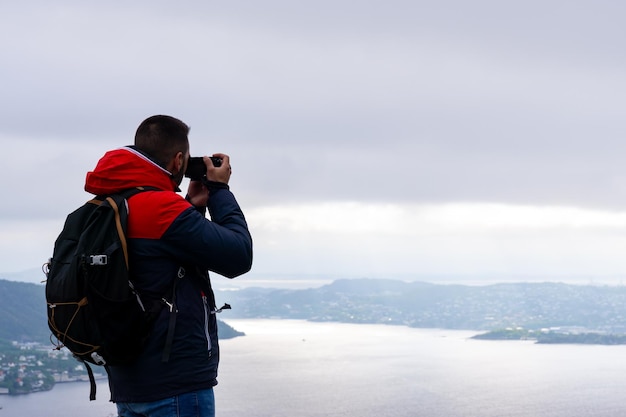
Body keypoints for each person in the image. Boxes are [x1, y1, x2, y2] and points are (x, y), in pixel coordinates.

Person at [84, 115, 253, 417]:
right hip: (175, 387)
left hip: (128, 384)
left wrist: (192, 209)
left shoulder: (110, 204)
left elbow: (155, 264)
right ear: (178, 161)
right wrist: (221, 192)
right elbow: (239, 255)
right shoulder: (162, 209)